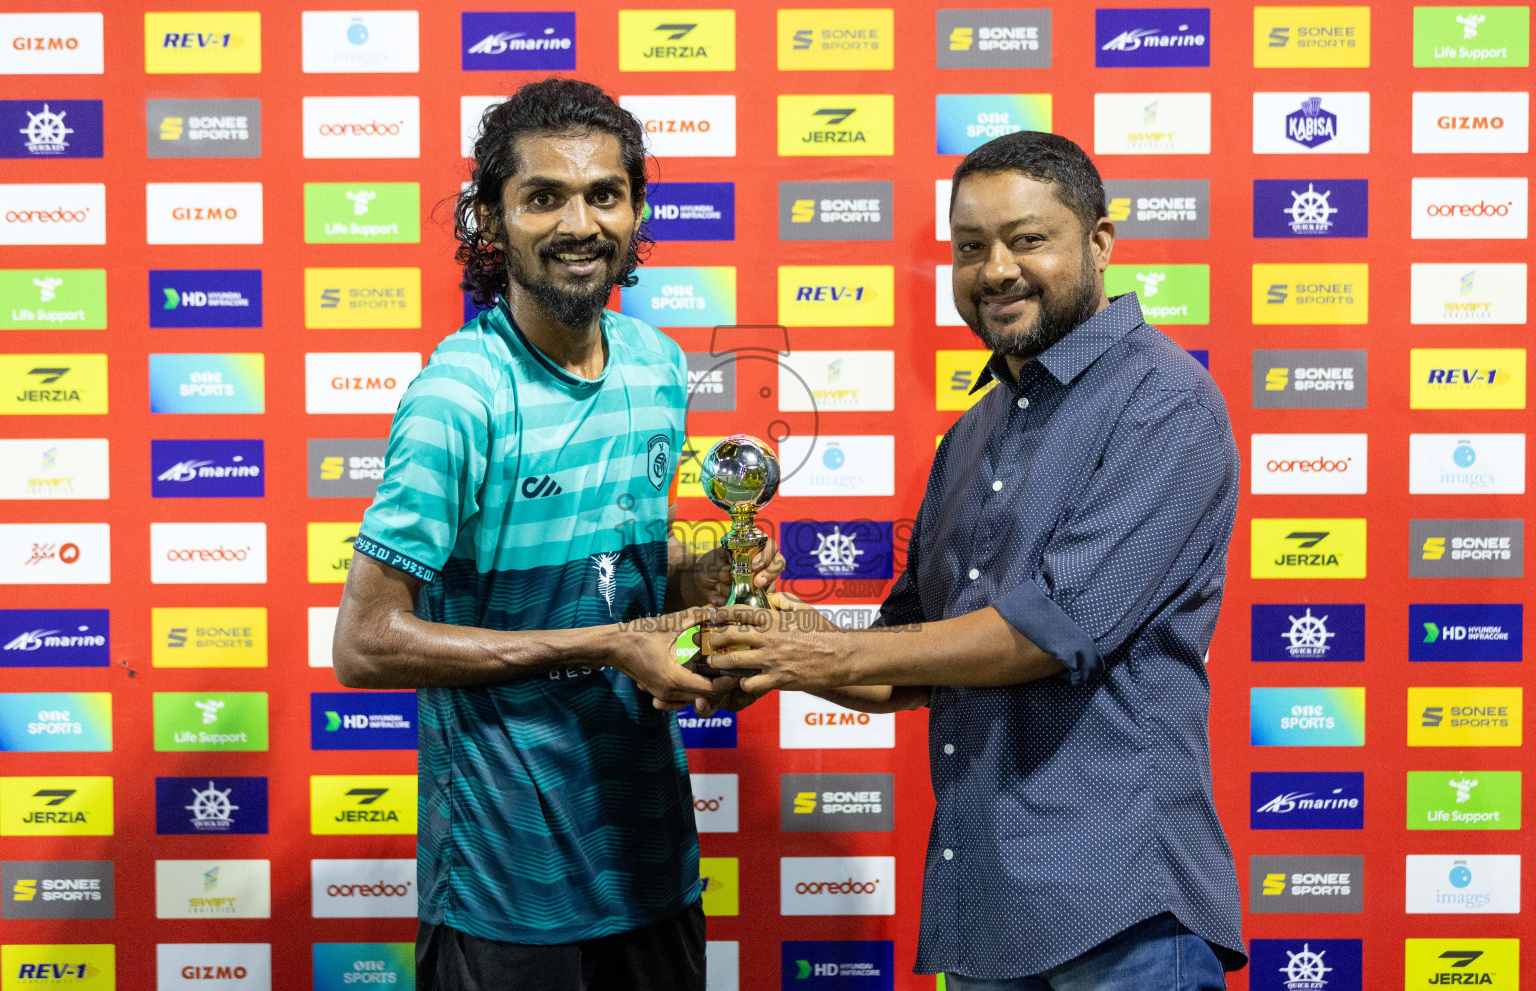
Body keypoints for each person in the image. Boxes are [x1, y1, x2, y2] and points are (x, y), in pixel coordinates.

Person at [700, 131, 1247, 990]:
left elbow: (1049, 632)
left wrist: (827, 651)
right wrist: (775, 635)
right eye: (969, 247)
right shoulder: (971, 435)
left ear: (1099, 243)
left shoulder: (1164, 400)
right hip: (987, 911)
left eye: (1028, 239)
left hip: (1121, 909)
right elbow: (909, 659)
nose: (996, 270)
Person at [332, 78, 780, 991]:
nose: (580, 223)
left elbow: (618, 575)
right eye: (544, 198)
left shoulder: (656, 367)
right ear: (490, 224)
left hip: (650, 862)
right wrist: (614, 647)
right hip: (509, 887)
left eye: (604, 195)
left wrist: (706, 583)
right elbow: (365, 644)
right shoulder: (459, 396)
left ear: (637, 212)